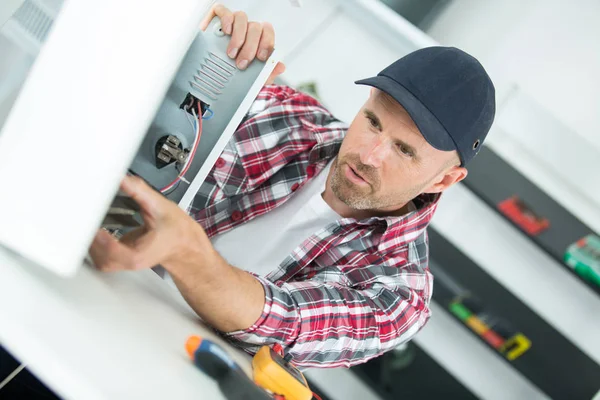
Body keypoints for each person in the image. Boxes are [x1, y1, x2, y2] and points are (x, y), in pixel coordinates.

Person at [89, 4, 496, 369]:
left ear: (445, 179)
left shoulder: (399, 292)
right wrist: (192, 51)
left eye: (404, 151)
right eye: (372, 122)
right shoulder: (287, 117)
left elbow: (284, 322)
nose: (369, 155)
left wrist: (183, 251)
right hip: (92, 294)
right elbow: (133, 135)